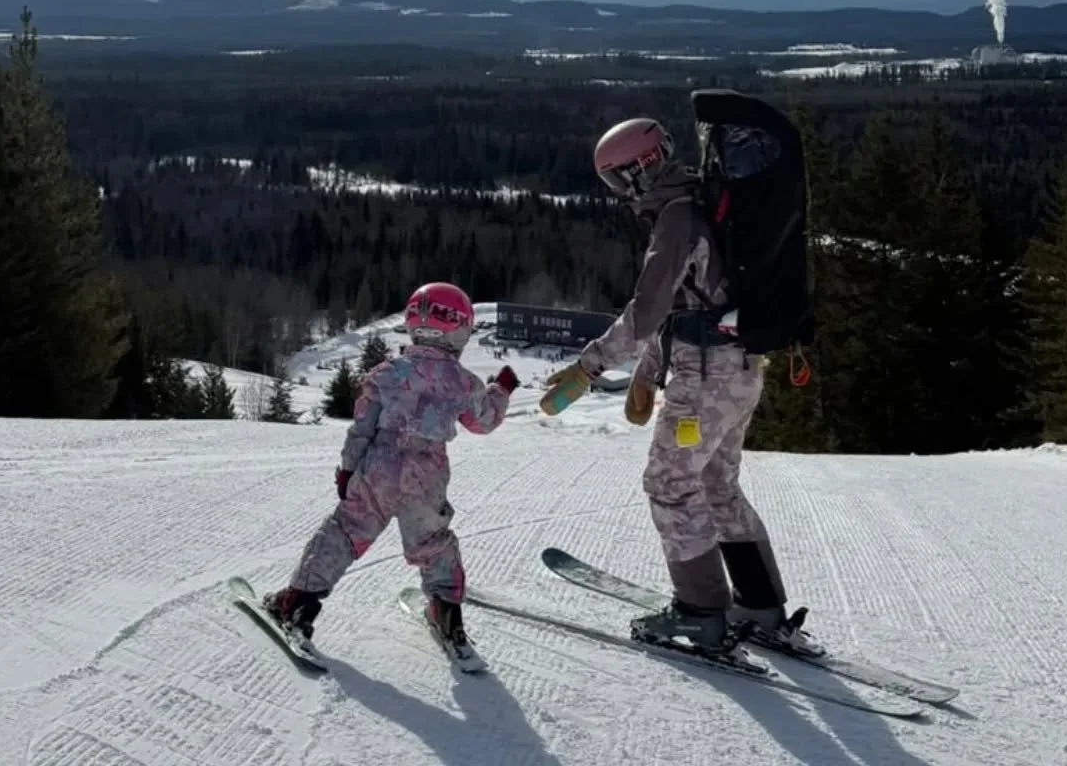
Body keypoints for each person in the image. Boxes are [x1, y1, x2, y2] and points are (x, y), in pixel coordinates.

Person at [542, 117, 817, 656]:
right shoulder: (704, 202)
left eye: (617, 180)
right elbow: (689, 305)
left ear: (638, 170)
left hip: (706, 379)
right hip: (740, 369)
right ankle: (760, 607)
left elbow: (647, 312)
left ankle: (700, 615)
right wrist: (647, 372)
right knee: (717, 485)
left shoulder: (676, 218)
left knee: (669, 483)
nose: (618, 193)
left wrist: (588, 367)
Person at [265, 282, 518, 651]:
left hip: (379, 469)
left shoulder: (386, 373)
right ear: (461, 328)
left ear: (414, 324)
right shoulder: (464, 382)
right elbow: (483, 422)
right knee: (433, 543)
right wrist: (501, 390)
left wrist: (348, 471)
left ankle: (297, 605)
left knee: (344, 532)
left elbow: (361, 429)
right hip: (427, 476)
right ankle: (447, 616)